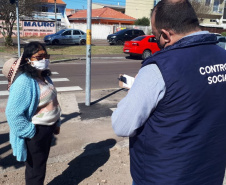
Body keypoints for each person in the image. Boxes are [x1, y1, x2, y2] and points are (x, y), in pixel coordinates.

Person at [111, 0, 226, 184]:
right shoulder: (223, 57)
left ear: (165, 35)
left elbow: (122, 125)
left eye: (156, 37)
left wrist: (137, 93)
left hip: (163, 176)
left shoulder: (159, 68)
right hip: (210, 173)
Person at [3, 41, 61, 185]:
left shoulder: (44, 77)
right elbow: (12, 113)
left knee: (40, 166)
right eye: (39, 57)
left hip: (48, 129)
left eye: (46, 56)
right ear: (28, 60)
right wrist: (31, 132)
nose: (44, 59)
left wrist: (56, 123)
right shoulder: (24, 82)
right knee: (35, 171)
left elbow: (53, 101)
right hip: (36, 132)